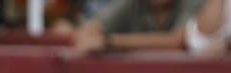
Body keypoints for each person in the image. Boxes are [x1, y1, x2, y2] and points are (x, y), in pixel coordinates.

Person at [71, 0, 199, 49]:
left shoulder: (192, 3)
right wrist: (89, 38)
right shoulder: (131, 3)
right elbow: (87, 31)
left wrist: (110, 42)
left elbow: (178, 40)